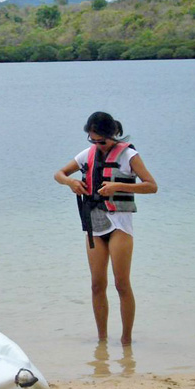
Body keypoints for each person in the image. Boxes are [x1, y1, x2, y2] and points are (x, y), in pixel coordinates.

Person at [54, 112, 157, 345]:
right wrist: (71, 182)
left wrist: (118, 186)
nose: (98, 145)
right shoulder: (86, 155)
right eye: (93, 140)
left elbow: (152, 186)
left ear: (113, 135)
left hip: (119, 225)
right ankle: (102, 340)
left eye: (102, 141)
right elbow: (58, 174)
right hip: (95, 225)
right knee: (97, 284)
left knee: (121, 284)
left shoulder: (129, 155)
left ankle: (126, 340)